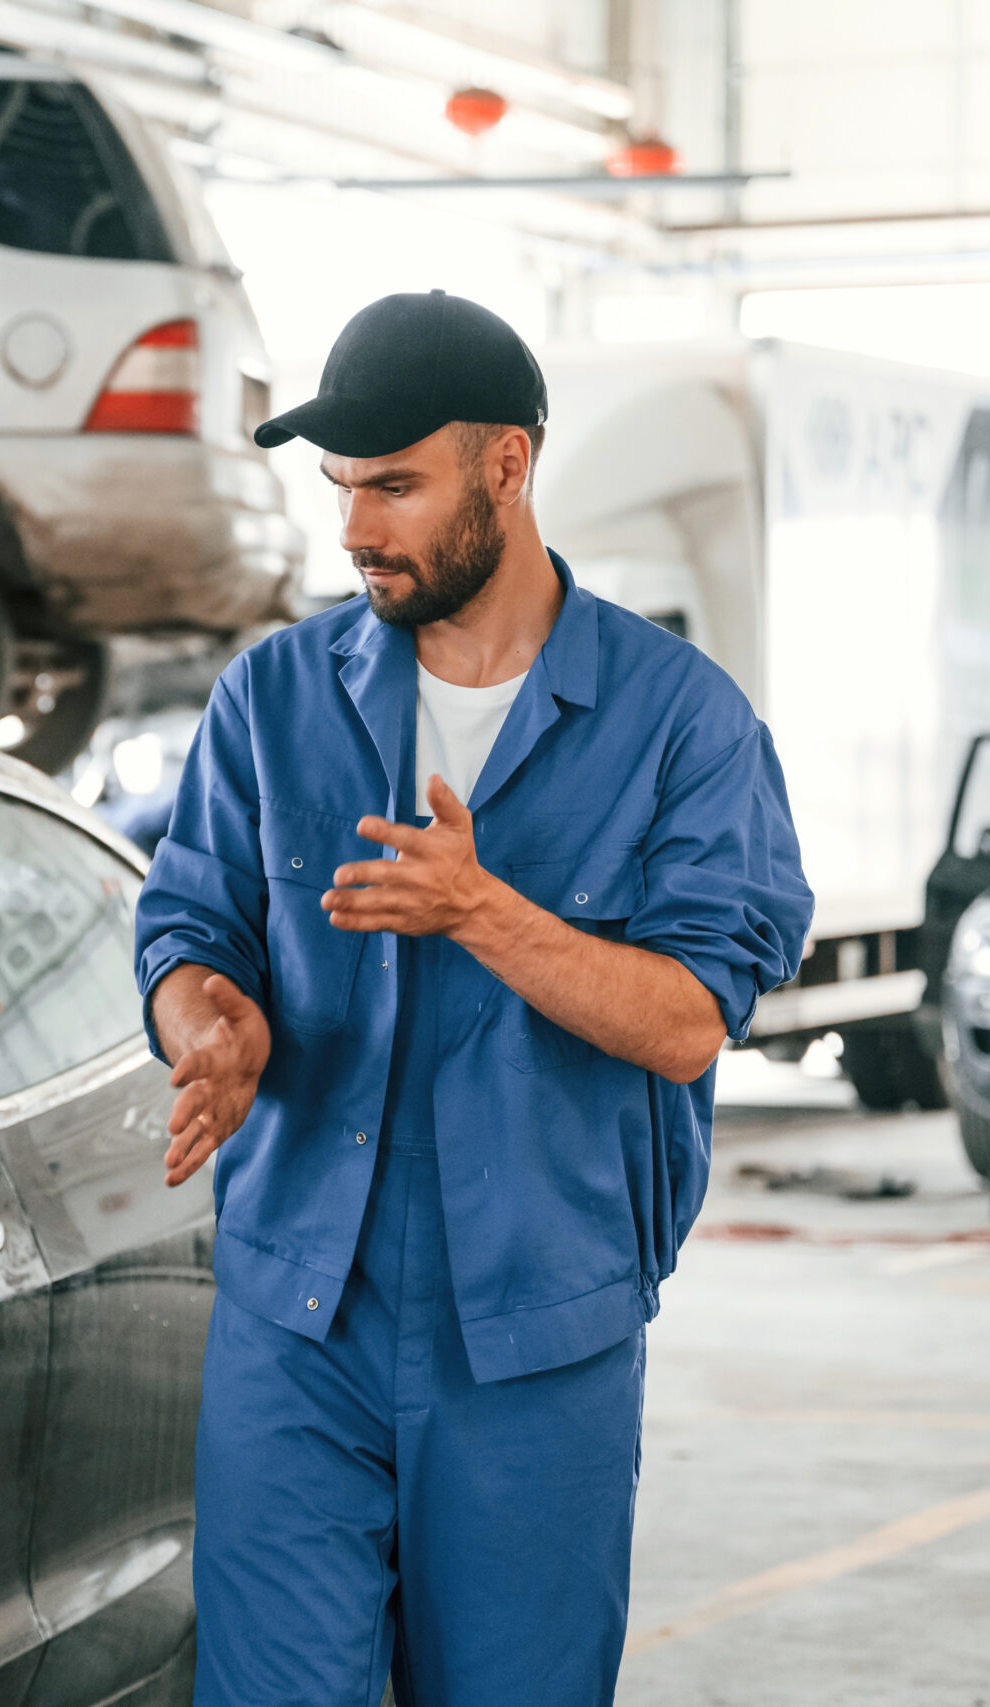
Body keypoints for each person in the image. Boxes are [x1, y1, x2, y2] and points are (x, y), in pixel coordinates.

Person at [134, 290, 814, 1707]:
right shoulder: (274, 698)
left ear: (509, 465)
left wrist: (484, 913)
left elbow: (692, 1017)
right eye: (340, 490)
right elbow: (190, 918)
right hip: (297, 1311)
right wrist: (210, 1021)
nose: (357, 530)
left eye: (394, 486)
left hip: (534, 1331)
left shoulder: (682, 722)